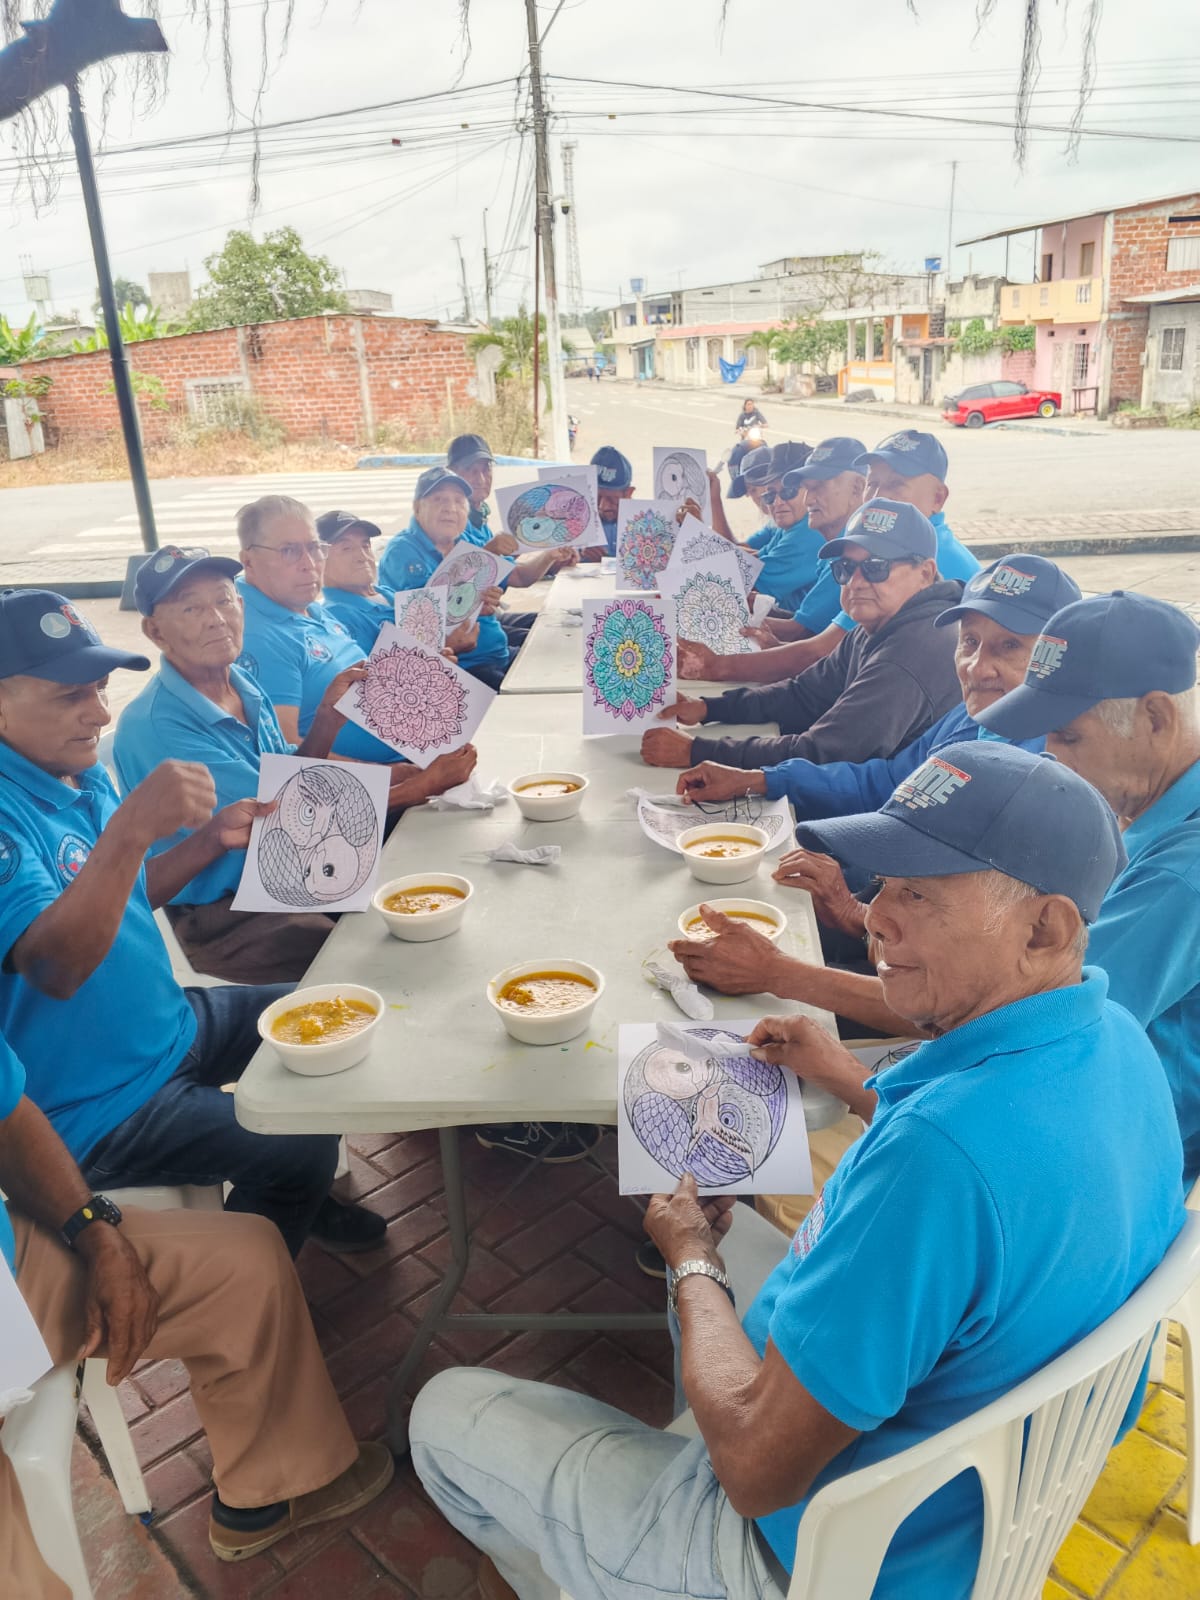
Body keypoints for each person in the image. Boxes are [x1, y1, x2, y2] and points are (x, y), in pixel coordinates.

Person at [410, 740, 1185, 1600]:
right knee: (734, 1258)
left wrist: (688, 1257)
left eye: (919, 893)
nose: (876, 916)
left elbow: (753, 1470)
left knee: (443, 1412)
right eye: (885, 884)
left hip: (807, 1553)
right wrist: (848, 1076)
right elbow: (989, 1181)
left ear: (1045, 929)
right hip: (964, 1509)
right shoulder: (1117, 1042)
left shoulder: (933, 1162)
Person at [0, 589, 383, 1256]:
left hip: (171, 1025)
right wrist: (130, 831)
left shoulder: (72, 770)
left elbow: (123, 893)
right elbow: (54, 968)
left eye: (100, 688)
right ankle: (253, 1279)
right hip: (96, 1105)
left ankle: (292, 1194)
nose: (99, 713)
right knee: (301, 1143)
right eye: (70, 696)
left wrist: (208, 842)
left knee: (332, 1015)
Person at [0, 1031, 394, 1589]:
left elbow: (7, 1117)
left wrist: (93, 1231)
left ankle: (270, 1494)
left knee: (249, 1258)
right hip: (100, 1113)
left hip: (13, 1265)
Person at [114, 548, 476, 983]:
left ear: (241, 605)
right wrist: (416, 788)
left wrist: (328, 721)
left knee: (430, 870)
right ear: (154, 631)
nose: (216, 619)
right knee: (380, 962)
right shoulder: (158, 725)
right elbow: (276, 817)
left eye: (224, 600)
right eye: (192, 608)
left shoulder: (239, 683)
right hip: (231, 910)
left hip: (298, 864)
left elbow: (290, 779)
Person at [977, 590, 1200, 1186]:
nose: (1050, 758)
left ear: (1156, 719)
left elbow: (1040, 1018)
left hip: (1121, 1155)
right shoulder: (1135, 803)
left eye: (1069, 737)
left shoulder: (1182, 872)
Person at [641, 500, 962, 773]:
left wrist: (697, 752)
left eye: (876, 567)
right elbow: (803, 694)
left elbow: (824, 751)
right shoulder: (881, 624)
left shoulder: (910, 652)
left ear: (925, 573)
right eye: (845, 568)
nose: (856, 581)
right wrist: (709, 709)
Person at [709, 430, 979, 684]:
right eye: (873, 484)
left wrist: (713, 665)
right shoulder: (886, 544)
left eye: (896, 485)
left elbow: (818, 651)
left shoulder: (916, 556)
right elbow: (833, 654)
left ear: (938, 498)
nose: (877, 497)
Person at [379, 466, 517, 690]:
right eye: (439, 499)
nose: (450, 508)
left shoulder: (463, 539)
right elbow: (426, 620)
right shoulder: (401, 552)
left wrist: (483, 601)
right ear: (417, 508)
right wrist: (486, 555)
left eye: (459, 501)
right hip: (461, 668)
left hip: (496, 652)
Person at [584, 444, 636, 558]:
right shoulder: (574, 518)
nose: (603, 506)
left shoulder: (644, 525)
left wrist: (606, 561)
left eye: (612, 499)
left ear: (628, 493)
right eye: (597, 497)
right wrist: (574, 556)